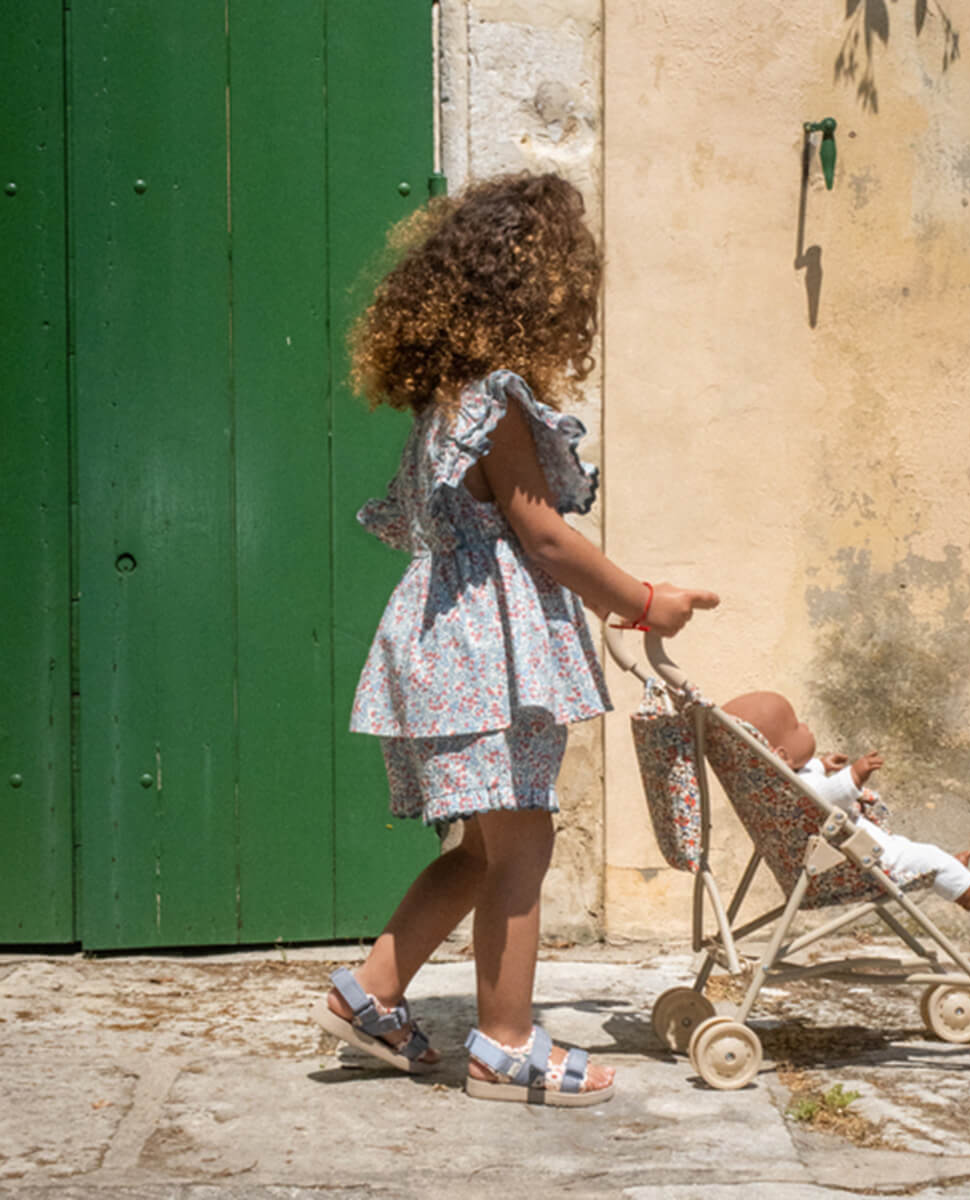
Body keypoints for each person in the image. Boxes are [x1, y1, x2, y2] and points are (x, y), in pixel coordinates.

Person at [311, 172, 719, 1107]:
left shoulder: (447, 403)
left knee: (486, 848)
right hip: (486, 661)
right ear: (538, 294)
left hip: (445, 650)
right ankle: (504, 1046)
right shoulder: (496, 402)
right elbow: (544, 537)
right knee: (523, 842)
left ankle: (370, 996)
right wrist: (644, 599)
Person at [720, 692, 970, 910]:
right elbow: (826, 797)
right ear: (782, 756)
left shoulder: (782, 785)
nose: (805, 726)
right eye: (796, 727)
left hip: (859, 852)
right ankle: (967, 893)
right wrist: (853, 775)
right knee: (923, 856)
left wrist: (822, 763)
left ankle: (948, 871)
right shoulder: (804, 789)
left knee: (915, 850)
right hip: (866, 862)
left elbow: (809, 777)